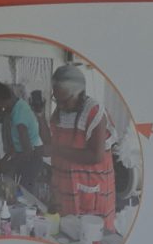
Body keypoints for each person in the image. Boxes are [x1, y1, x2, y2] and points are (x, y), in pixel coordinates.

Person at [47, 63, 116, 230]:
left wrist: (57, 151)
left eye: (64, 100)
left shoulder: (94, 112)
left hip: (91, 189)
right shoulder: (60, 111)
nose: (60, 106)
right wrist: (40, 116)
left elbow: (95, 156)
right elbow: (51, 143)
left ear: (79, 93)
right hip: (65, 186)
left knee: (92, 234)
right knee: (68, 232)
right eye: (56, 100)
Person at [0, 78, 45, 192]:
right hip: (25, 159)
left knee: (25, 196)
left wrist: (8, 164)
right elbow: (16, 146)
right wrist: (4, 160)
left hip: (32, 161)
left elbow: (28, 152)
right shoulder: (17, 107)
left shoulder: (19, 115)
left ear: (0, 101)